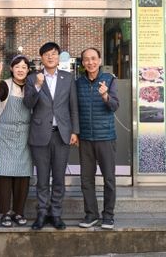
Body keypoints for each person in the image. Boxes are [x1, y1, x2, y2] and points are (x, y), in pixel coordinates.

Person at [23, 42, 79, 230]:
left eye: (53, 53)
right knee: (42, 178)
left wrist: (75, 131)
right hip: (40, 134)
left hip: (62, 134)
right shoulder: (33, 78)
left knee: (59, 178)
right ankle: (41, 213)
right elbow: (28, 104)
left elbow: (73, 107)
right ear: (41, 58)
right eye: (46, 54)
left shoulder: (68, 78)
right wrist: (38, 86)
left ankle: (56, 214)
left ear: (58, 57)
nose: (50, 57)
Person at [76, 47, 120, 230]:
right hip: (85, 138)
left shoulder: (109, 80)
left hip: (105, 137)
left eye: (94, 58)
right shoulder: (78, 83)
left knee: (109, 178)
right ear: (82, 63)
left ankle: (108, 215)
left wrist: (105, 95)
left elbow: (115, 106)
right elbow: (74, 109)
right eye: (86, 59)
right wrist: (75, 132)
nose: (90, 62)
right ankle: (91, 214)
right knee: (86, 179)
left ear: (100, 61)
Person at [0, 55, 33, 228]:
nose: (20, 70)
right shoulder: (5, 85)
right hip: (5, 134)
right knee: (4, 174)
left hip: (25, 133)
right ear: (12, 69)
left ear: (28, 70)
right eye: (17, 67)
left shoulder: (31, 86)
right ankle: (5, 213)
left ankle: (19, 212)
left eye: (24, 67)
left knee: (23, 175)